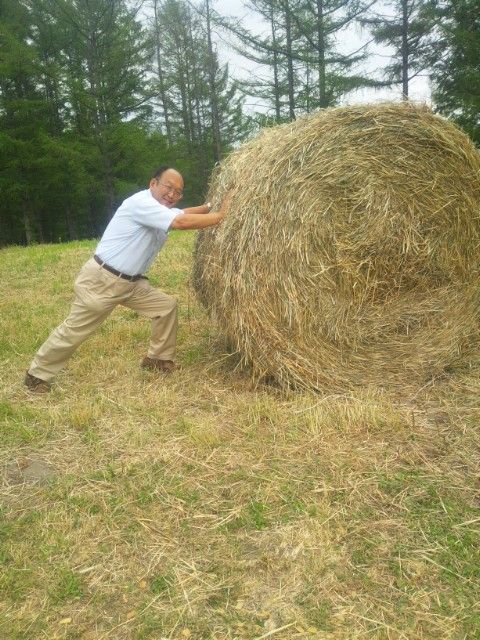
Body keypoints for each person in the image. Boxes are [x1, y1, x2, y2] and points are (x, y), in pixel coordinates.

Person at [24, 166, 226, 393]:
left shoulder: (158, 208)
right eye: (168, 188)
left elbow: (181, 213)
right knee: (75, 329)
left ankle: (157, 359)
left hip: (130, 283)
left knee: (166, 306)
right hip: (103, 280)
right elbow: (180, 222)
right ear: (153, 184)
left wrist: (210, 206)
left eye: (177, 192)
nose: (172, 195)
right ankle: (37, 374)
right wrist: (220, 216)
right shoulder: (141, 203)